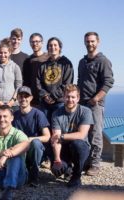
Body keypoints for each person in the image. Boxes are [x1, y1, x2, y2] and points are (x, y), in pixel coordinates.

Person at [77, 32, 114, 176]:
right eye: (87, 41)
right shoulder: (82, 61)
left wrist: (96, 98)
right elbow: (80, 80)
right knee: (84, 134)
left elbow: (108, 82)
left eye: (92, 41)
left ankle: (95, 164)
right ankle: (85, 162)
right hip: (82, 103)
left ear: (98, 42)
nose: (90, 44)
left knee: (96, 134)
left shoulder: (103, 61)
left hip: (95, 104)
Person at [50, 84, 93, 187]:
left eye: (73, 97)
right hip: (64, 147)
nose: (70, 100)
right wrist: (57, 159)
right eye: (67, 97)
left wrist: (63, 136)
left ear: (78, 98)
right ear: (64, 97)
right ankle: (67, 168)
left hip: (81, 147)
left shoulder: (85, 111)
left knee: (77, 144)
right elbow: (56, 138)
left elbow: (82, 134)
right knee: (57, 169)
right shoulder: (56, 113)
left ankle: (76, 176)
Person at [12, 86, 50, 187]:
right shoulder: (14, 115)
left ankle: (34, 176)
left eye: (26, 96)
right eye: (21, 96)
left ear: (31, 98)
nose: (23, 99)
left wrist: (30, 139)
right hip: (19, 150)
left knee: (36, 143)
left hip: (35, 150)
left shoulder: (38, 114)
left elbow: (47, 136)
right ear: (17, 98)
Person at [36, 37, 74, 122]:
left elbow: (67, 83)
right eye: (50, 45)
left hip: (59, 102)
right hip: (44, 103)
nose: (53, 47)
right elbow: (38, 82)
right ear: (47, 48)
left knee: (58, 128)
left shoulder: (66, 63)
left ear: (59, 47)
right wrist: (45, 95)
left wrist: (53, 96)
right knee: (45, 128)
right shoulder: (43, 65)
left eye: (55, 45)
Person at [0, 38, 22, 110]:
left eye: (5, 53)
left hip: (13, 104)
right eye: (0, 52)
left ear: (9, 53)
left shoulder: (15, 67)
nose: (3, 55)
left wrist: (12, 101)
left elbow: (18, 85)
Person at [23, 33, 49, 106]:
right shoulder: (28, 60)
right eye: (32, 42)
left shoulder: (48, 58)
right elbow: (26, 81)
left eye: (37, 41)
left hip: (47, 98)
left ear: (42, 43)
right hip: (32, 99)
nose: (35, 44)